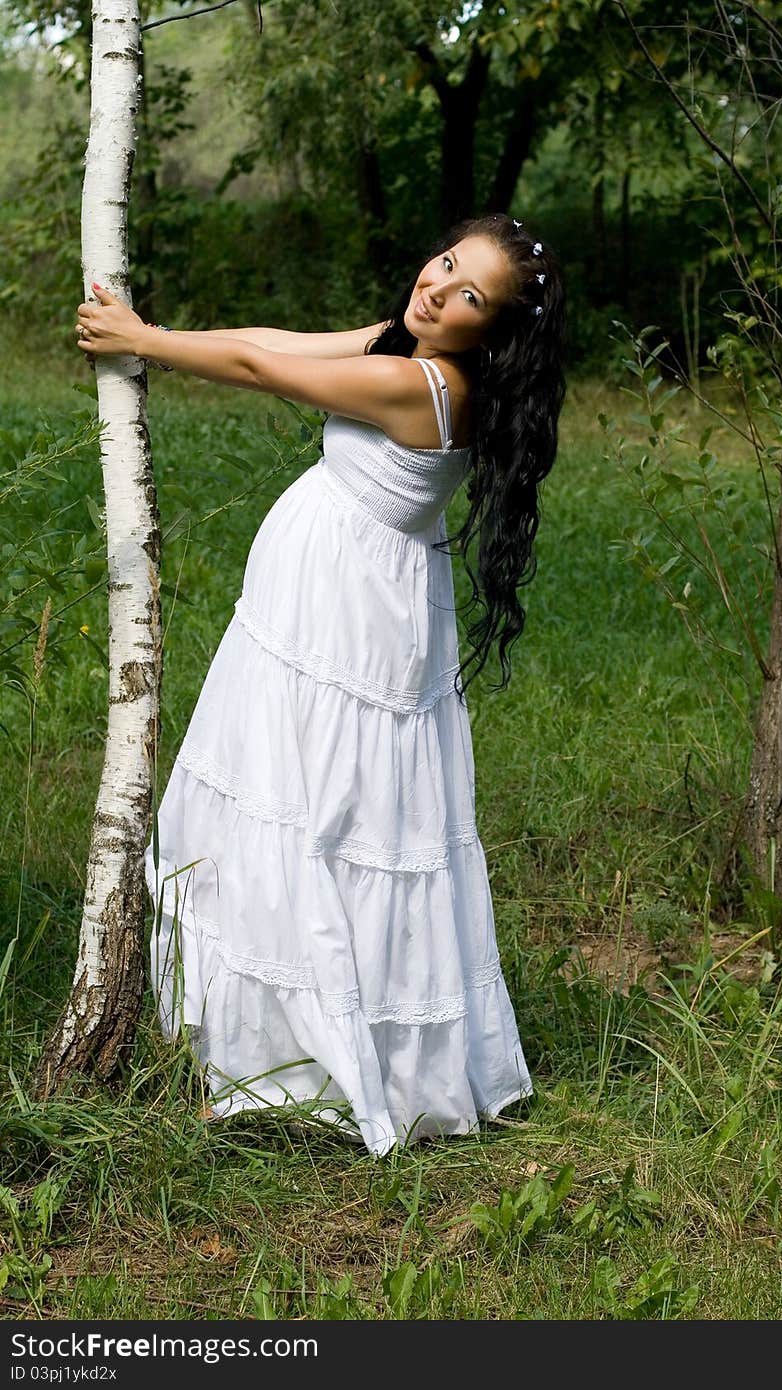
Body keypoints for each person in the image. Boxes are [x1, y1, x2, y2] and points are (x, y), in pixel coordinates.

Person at [75, 213, 566, 1156]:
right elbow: (274, 342)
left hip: (345, 623)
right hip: (327, 613)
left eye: (469, 295)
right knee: (303, 803)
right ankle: (269, 1031)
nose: (438, 288)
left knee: (322, 811)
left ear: (491, 331)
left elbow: (266, 373)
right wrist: (155, 332)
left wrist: (144, 345)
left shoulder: (421, 383)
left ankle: (309, 1052)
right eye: (447, 264)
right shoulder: (404, 341)